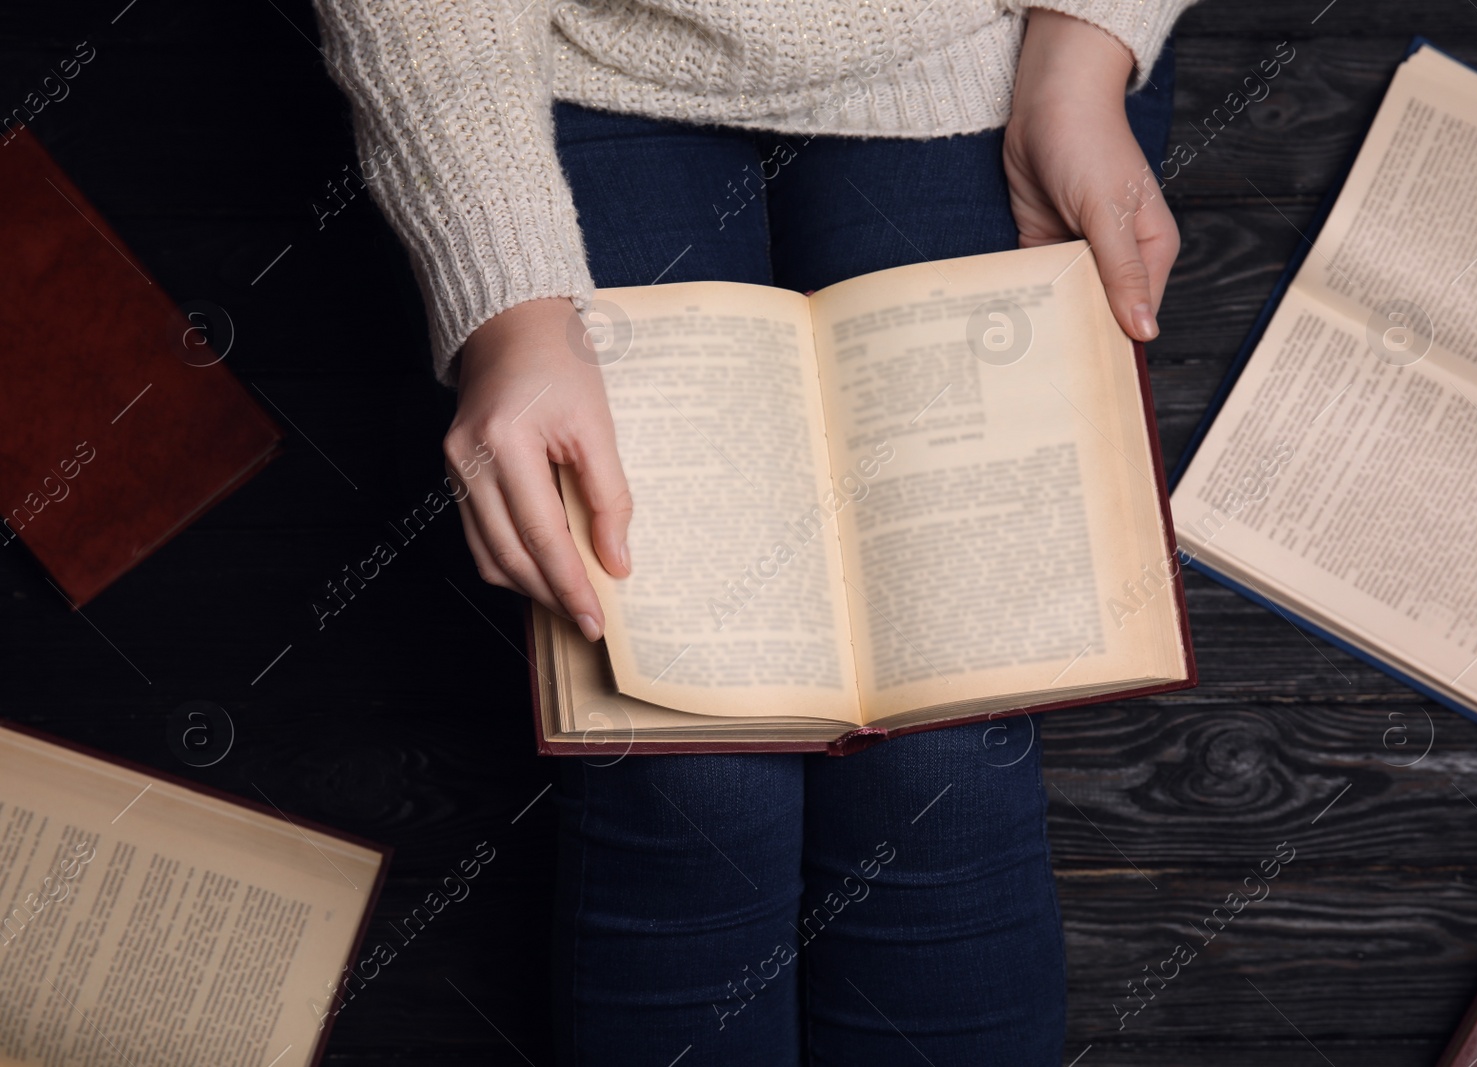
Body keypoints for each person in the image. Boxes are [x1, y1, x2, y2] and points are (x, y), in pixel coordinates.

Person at [311, 1, 1194, 1061]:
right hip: (570, 54)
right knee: (690, 758)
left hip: (985, 46)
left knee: (943, 753)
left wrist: (1083, 58)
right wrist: (510, 302)